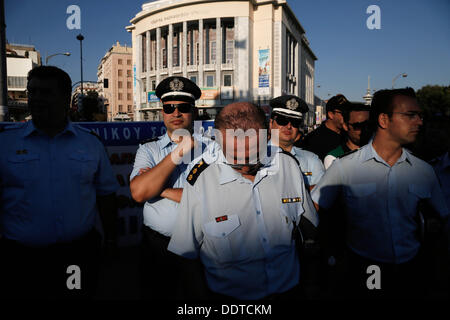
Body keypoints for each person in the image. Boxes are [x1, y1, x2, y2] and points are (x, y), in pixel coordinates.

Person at [168, 102, 319, 300]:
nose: (246, 167)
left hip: (289, 290)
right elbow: (185, 252)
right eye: (236, 158)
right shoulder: (200, 180)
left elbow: (308, 227)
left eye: (254, 156)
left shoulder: (288, 166)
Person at [311, 88, 449, 299]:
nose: (419, 122)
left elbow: (442, 216)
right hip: (365, 269)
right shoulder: (344, 168)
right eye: (410, 115)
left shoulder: (424, 171)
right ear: (384, 120)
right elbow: (316, 209)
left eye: (420, 116)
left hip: (412, 269)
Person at [0, 66, 119, 299]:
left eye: (46, 93)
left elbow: (106, 195)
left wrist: (112, 240)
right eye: (32, 92)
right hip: (21, 258)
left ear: (66, 98)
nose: (36, 99)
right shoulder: (5, 144)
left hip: (77, 256)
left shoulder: (90, 144)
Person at [130, 76, 213, 299]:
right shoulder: (148, 150)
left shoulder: (213, 149)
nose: (176, 113)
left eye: (183, 107)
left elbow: (212, 199)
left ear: (193, 112)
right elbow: (139, 193)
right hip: (158, 247)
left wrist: (160, 189)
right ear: (163, 112)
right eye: (169, 107)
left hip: (203, 246)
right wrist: (178, 152)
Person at [269, 95, 325, 190]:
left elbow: (320, 197)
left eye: (295, 122)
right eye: (282, 120)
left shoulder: (311, 160)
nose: (289, 126)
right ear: (271, 123)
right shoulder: (256, 158)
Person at [296, 94, 351, 161]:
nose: (348, 116)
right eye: (344, 113)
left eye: (349, 113)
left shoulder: (349, 136)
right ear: (331, 114)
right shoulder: (313, 140)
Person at [324, 103, 370, 169]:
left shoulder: (378, 153)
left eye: (368, 125)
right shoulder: (333, 158)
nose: (364, 129)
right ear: (345, 126)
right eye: (358, 126)